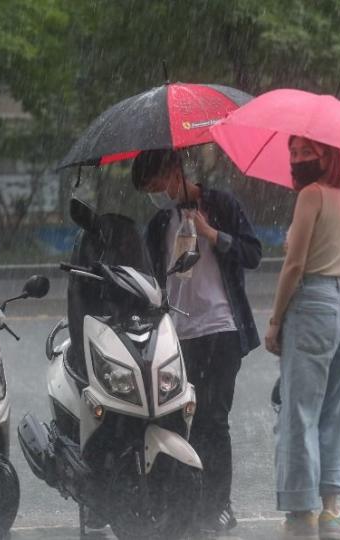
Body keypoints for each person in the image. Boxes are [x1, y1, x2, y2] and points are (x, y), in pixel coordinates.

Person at [131, 149, 262, 534]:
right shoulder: (160, 224)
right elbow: (150, 277)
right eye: (151, 191)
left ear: (175, 170)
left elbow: (252, 253)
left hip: (220, 329)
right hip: (177, 335)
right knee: (175, 422)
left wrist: (211, 234)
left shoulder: (220, 204)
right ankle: (186, 501)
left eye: (158, 185)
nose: (158, 194)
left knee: (213, 421)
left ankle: (219, 504)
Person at [266, 136, 340, 540]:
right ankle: (331, 511)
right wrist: (332, 249)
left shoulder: (311, 195)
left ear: (328, 156)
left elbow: (295, 265)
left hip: (313, 303)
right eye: (293, 152)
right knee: (333, 414)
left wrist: (275, 321)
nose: (298, 158)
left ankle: (300, 514)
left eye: (307, 151)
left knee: (299, 413)